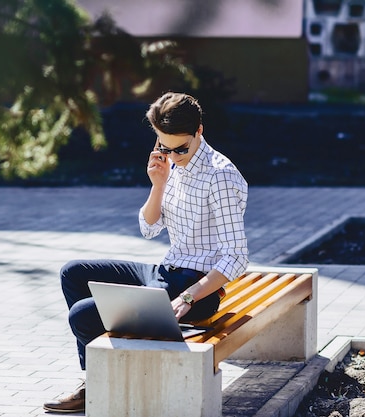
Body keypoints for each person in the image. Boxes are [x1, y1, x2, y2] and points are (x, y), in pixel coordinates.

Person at [43, 92, 249, 413]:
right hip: (166, 270)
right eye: (165, 146)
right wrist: (158, 183)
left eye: (181, 148)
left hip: (194, 288)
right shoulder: (171, 166)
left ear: (199, 131)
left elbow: (236, 257)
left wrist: (188, 298)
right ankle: (96, 376)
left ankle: (97, 382)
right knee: (74, 272)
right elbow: (149, 228)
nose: (174, 155)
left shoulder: (219, 176)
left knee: (82, 314)